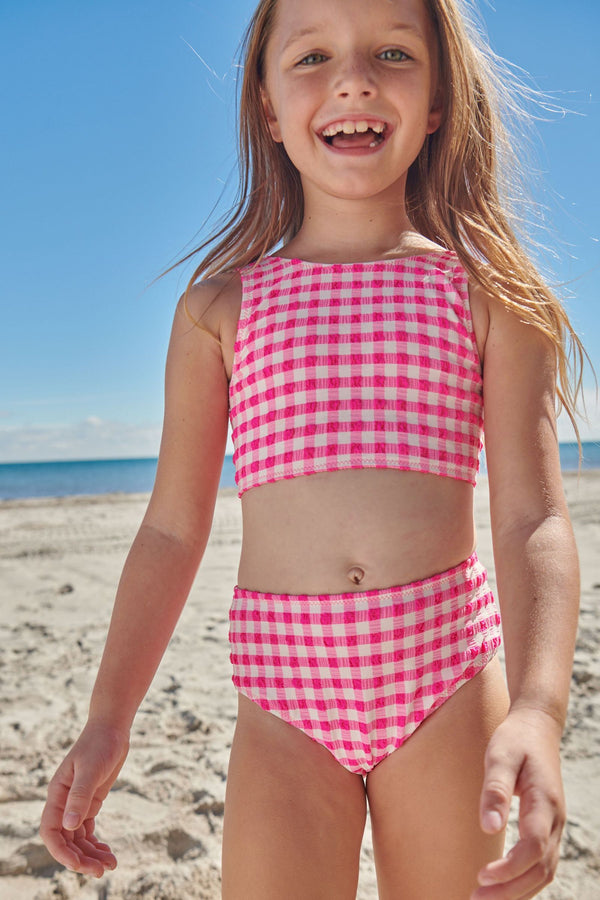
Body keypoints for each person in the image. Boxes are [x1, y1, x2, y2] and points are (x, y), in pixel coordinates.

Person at [40, 0, 586, 897]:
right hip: (284, 698)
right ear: (266, 105)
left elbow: (533, 518)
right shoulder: (221, 312)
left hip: (445, 676)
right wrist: (109, 717)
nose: (354, 78)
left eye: (393, 52)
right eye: (313, 57)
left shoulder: (486, 299)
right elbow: (174, 530)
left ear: (441, 97)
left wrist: (537, 710)